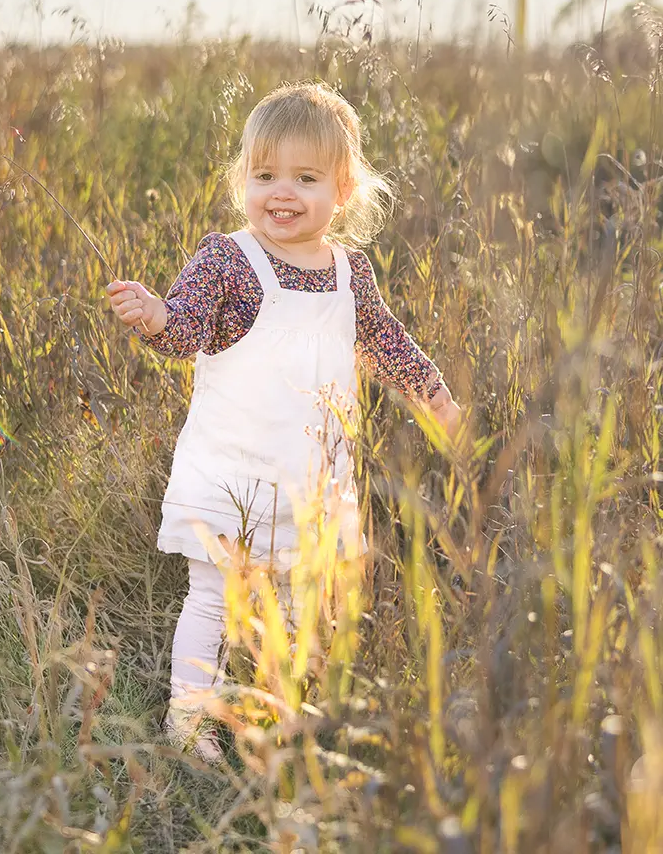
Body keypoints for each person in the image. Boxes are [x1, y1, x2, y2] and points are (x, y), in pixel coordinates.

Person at [106, 81, 461, 764]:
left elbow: (385, 341)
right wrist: (155, 315)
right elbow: (186, 329)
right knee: (210, 599)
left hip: (312, 484)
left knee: (302, 610)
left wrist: (436, 397)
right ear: (244, 178)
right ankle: (190, 723)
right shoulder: (229, 260)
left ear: (343, 188)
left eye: (304, 177)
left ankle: (278, 718)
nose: (281, 193)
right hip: (230, 475)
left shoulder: (348, 274)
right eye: (265, 175)